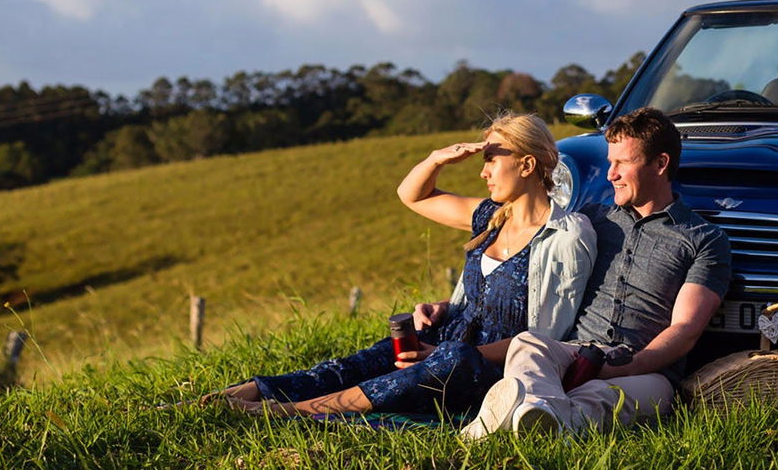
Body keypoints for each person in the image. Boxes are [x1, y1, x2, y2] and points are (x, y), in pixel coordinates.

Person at [205, 113, 595, 419]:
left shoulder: (566, 234)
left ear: (527, 165)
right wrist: (438, 157)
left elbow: (543, 339)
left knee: (450, 359)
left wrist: (439, 354)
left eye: (492, 159)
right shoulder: (491, 216)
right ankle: (247, 392)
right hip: (447, 341)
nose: (483, 170)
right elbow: (412, 195)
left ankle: (286, 413)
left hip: (488, 367)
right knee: (374, 357)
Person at [463, 106, 731, 438]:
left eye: (623, 163)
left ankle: (509, 423)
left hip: (647, 372)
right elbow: (527, 226)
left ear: (660, 164)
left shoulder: (703, 240)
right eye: (610, 162)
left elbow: (685, 329)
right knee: (528, 344)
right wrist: (450, 305)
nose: (610, 174)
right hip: (577, 350)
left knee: (597, 397)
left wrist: (628, 365)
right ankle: (536, 416)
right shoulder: (593, 219)